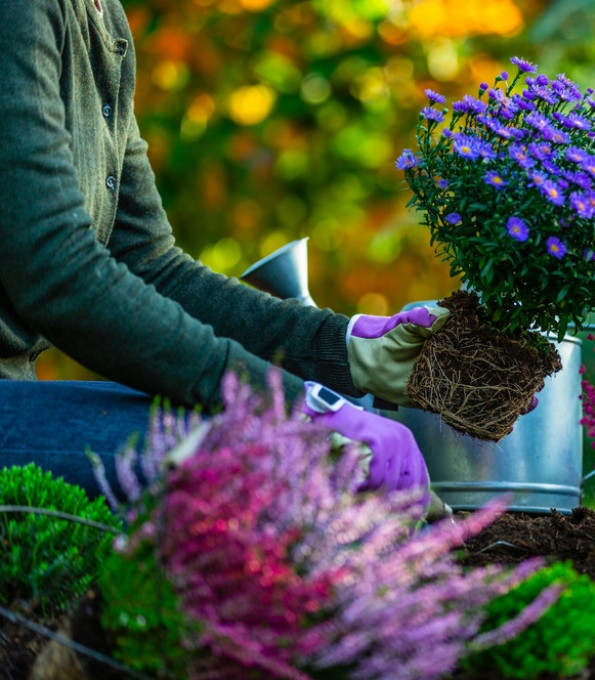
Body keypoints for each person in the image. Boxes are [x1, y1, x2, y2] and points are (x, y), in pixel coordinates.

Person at [0, 0, 448, 508]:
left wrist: (344, 348)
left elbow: (148, 266)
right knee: (261, 464)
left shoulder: (102, 20)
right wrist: (286, 405)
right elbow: (56, 272)